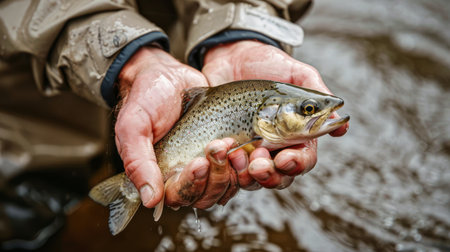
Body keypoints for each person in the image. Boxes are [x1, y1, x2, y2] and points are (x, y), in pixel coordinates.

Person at [0, 0, 348, 249]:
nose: (315, 113)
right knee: (31, 201)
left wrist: (241, 29)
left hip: (189, 52)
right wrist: (130, 56)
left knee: (183, 197)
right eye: (306, 109)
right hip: (41, 70)